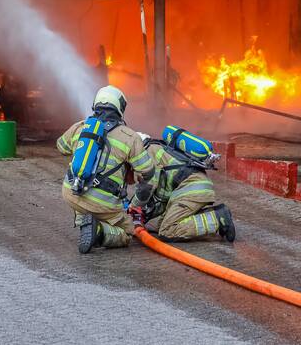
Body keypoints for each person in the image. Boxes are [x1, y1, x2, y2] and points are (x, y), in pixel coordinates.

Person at [56, 85, 156, 253]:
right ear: (120, 108)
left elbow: (61, 146)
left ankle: (84, 220)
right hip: (103, 203)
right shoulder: (130, 137)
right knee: (127, 232)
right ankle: (99, 231)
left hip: (70, 192)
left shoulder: (81, 127)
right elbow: (147, 171)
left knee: (86, 202)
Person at [140, 128, 236, 242]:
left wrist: (137, 206)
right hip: (197, 187)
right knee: (161, 225)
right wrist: (146, 214)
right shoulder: (159, 148)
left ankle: (218, 219)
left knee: (167, 230)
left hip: (192, 190)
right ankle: (211, 214)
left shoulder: (149, 154)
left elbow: (151, 188)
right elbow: (163, 194)